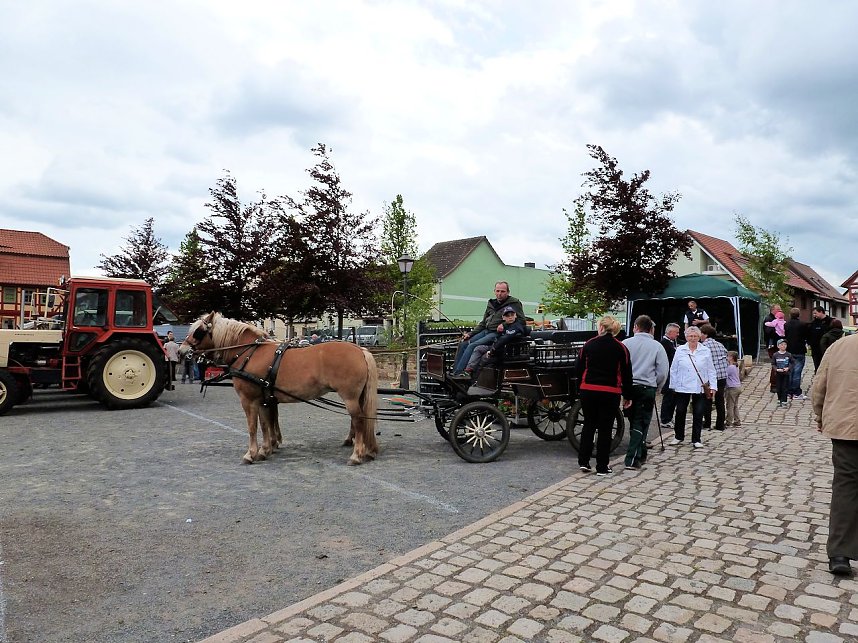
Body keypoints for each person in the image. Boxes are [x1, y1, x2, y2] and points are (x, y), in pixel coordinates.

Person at [811, 333, 858, 576]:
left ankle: (840, 553)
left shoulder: (839, 347)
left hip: (845, 427)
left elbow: (819, 387)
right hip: (846, 427)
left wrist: (821, 416)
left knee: (846, 487)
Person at [575, 315, 633, 476]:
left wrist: (580, 387)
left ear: (601, 327)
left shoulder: (589, 344)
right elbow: (627, 373)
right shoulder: (621, 348)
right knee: (605, 429)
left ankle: (584, 461)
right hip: (610, 391)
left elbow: (579, 368)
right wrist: (628, 395)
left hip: (589, 389)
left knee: (589, 425)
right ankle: (602, 465)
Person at [622, 315, 668, 470]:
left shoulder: (625, 343)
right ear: (651, 329)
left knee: (634, 421)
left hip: (628, 387)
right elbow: (662, 372)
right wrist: (658, 387)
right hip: (646, 387)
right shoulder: (656, 346)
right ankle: (632, 459)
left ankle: (641, 453)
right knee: (640, 422)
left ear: (635, 327)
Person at [452, 281, 524, 375]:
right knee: (464, 343)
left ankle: (460, 372)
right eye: (497, 291)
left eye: (502, 291)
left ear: (508, 292)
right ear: (494, 291)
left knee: (472, 345)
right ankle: (455, 371)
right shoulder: (491, 304)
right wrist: (471, 333)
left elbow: (522, 321)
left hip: (496, 333)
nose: (499, 294)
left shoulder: (514, 303)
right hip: (486, 330)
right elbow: (483, 322)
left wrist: (504, 325)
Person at [668, 326, 716, 449]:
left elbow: (711, 370)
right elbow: (674, 369)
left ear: (699, 337)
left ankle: (696, 439)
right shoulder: (680, 350)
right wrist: (673, 385)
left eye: (695, 336)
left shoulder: (705, 351)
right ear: (686, 337)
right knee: (680, 411)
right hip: (682, 386)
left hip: (699, 386)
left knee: (698, 412)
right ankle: (678, 436)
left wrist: (713, 387)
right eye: (690, 336)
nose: (693, 338)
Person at [465, 306, 526, 380]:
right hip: (499, 349)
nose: (510, 317)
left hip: (507, 352)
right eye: (507, 315)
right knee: (478, 348)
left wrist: (491, 351)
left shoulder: (516, 326)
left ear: (515, 315)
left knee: (484, 359)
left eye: (512, 315)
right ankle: (469, 370)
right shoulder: (505, 326)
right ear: (503, 318)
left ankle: (475, 380)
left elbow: (504, 339)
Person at [700, 324, 728, 431]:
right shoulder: (720, 345)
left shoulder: (703, 346)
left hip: (710, 377)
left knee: (707, 398)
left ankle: (707, 423)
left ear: (705, 334)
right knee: (720, 400)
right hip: (722, 376)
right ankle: (720, 424)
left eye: (701, 333)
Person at [659, 323, 681, 430]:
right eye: (676, 332)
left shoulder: (671, 343)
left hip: (673, 374)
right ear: (670, 332)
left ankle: (669, 417)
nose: (678, 334)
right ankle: (665, 419)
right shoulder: (664, 343)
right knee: (668, 397)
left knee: (673, 397)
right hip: (668, 374)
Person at [784, 307, 809, 400]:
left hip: (789, 349)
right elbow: (806, 336)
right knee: (797, 372)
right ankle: (796, 392)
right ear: (799, 315)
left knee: (789, 371)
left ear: (790, 315)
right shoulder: (803, 325)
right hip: (799, 350)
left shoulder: (786, 324)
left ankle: (788, 392)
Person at [763, 304, 783, 393]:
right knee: (776, 364)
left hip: (778, 344)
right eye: (778, 310)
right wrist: (778, 330)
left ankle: (778, 384)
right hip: (773, 345)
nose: (780, 311)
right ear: (773, 310)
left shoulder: (778, 319)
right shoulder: (769, 319)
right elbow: (768, 332)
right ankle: (774, 385)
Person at [724, 351, 747, 427]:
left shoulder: (730, 367)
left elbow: (724, 375)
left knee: (730, 405)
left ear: (731, 358)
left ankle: (728, 421)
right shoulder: (735, 366)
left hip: (732, 388)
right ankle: (737, 420)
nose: (726, 358)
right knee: (735, 405)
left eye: (727, 356)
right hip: (738, 387)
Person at [807, 306, 833, 372]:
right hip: (816, 349)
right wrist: (809, 343)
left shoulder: (830, 321)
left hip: (827, 348)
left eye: (815, 313)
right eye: (813, 313)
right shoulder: (813, 323)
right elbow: (809, 335)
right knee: (817, 367)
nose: (814, 315)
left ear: (821, 312)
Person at [771, 339, 794, 407]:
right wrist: (776, 369)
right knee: (778, 387)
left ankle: (784, 401)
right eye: (781, 345)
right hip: (778, 374)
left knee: (785, 387)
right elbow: (773, 364)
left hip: (786, 374)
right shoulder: (775, 355)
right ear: (778, 346)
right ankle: (779, 399)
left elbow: (792, 363)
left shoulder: (788, 354)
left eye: (785, 344)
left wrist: (788, 368)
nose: (783, 346)